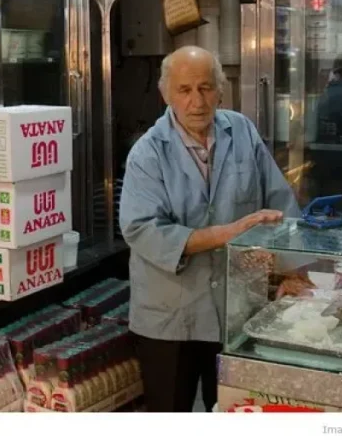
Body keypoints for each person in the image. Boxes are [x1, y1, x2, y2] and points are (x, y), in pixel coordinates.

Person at [119, 46, 300, 412]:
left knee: (239, 411)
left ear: (221, 90)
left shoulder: (242, 132)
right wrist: (227, 234)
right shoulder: (147, 153)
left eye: (206, 88)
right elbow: (142, 230)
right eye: (185, 90)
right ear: (166, 93)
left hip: (238, 309)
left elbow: (279, 204)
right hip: (171, 317)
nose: (197, 101)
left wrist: (291, 271)